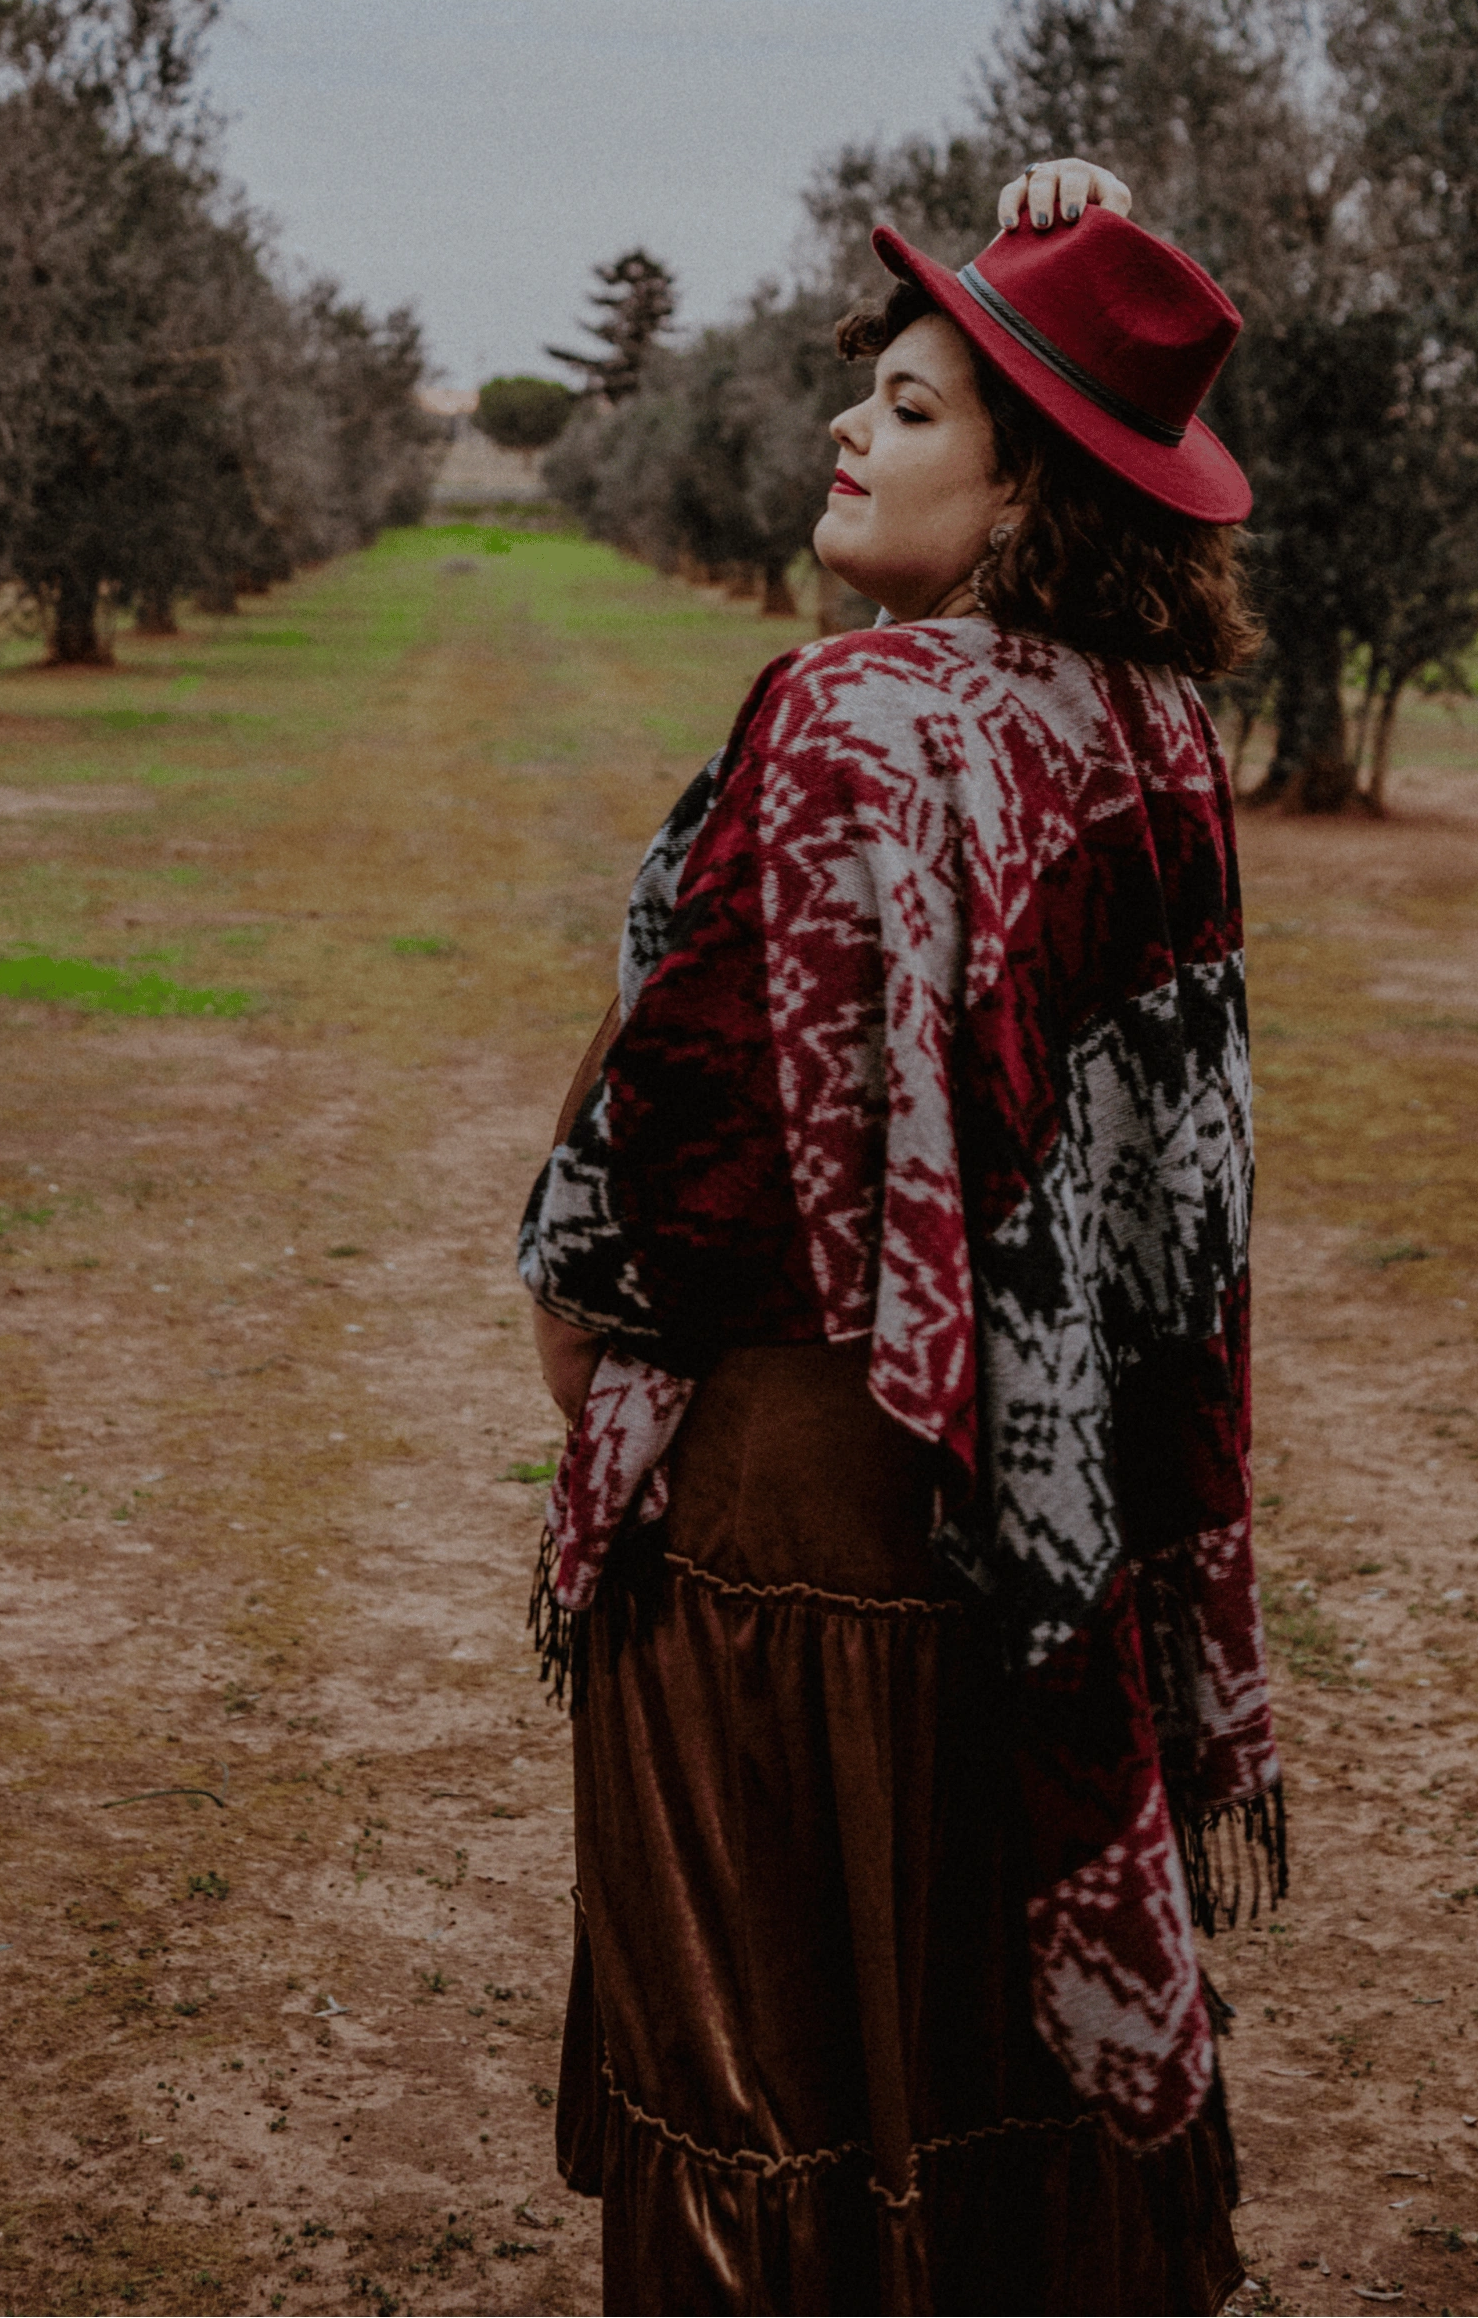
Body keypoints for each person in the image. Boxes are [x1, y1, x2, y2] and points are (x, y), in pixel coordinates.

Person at [520, 157, 1283, 2317]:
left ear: (1033, 487)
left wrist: (587, 1365)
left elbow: (670, 1173)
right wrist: (1070, 247)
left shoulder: (848, 716)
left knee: (768, 2072)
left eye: (918, 407)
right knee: (966, 2060)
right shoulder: (1154, 737)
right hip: (1047, 1538)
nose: (849, 425)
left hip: (801, 1519)